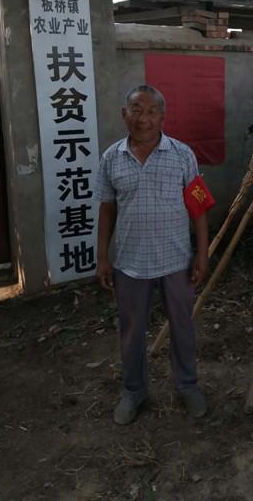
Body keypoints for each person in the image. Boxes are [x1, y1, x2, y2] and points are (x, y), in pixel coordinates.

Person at [94, 85, 211, 425]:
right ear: (124, 115)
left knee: (182, 327)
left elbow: (199, 206)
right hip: (130, 264)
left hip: (176, 260)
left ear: (162, 117)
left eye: (151, 111)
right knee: (131, 331)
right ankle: (134, 391)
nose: (143, 118)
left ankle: (187, 385)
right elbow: (107, 209)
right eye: (136, 110)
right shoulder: (111, 158)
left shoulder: (182, 154)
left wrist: (202, 253)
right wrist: (102, 257)